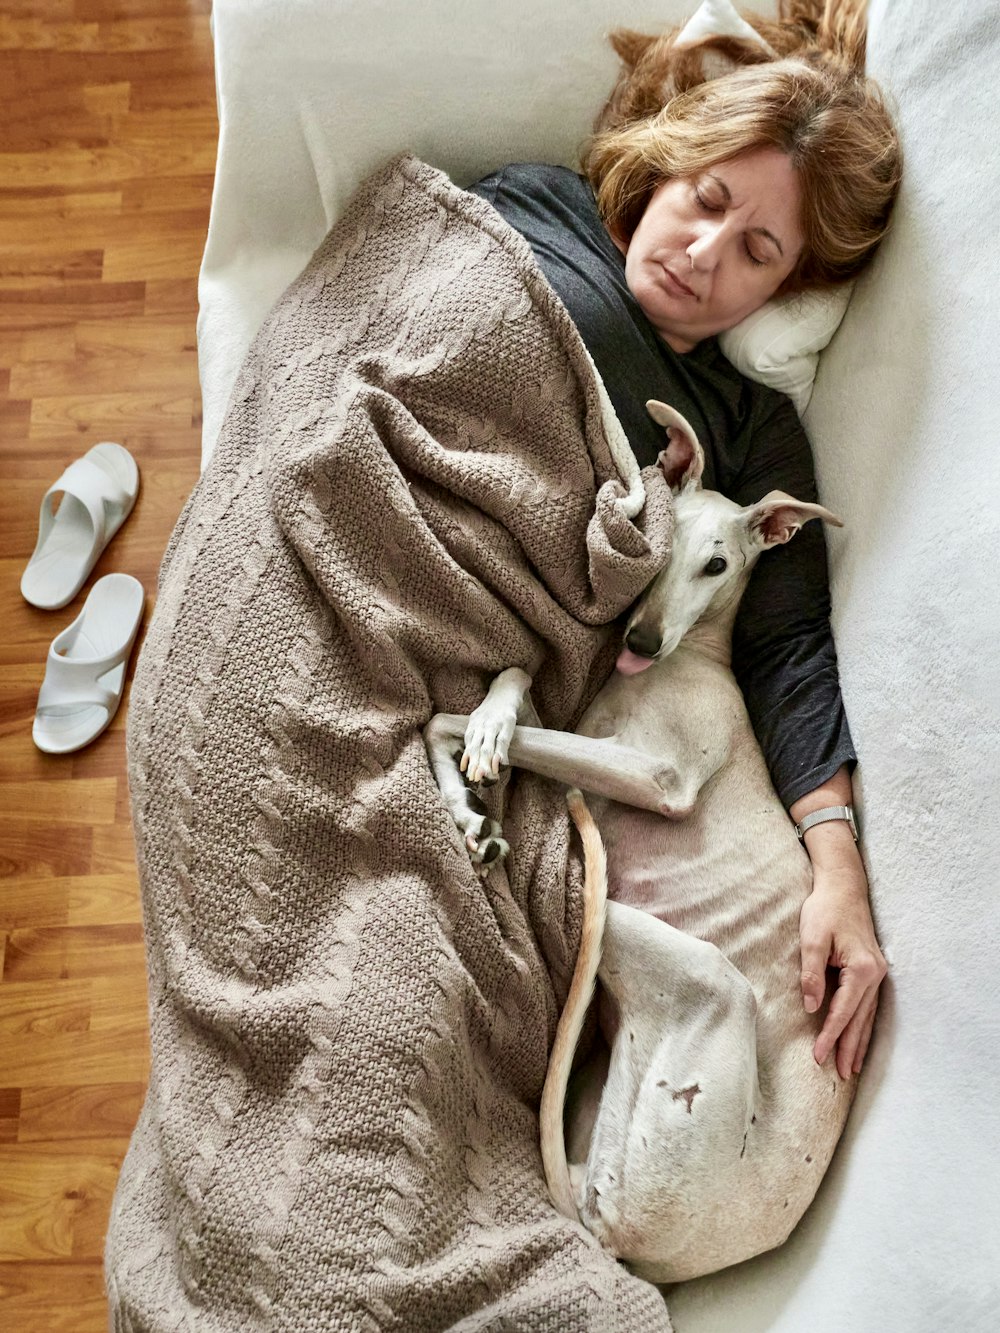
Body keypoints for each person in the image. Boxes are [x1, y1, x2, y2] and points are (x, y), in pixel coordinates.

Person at [469, 0, 901, 1082]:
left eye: (755, 249)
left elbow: (785, 646)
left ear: (781, 288)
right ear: (665, 169)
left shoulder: (750, 431)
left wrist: (835, 869)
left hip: (501, 684)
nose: (704, 253)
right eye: (704, 200)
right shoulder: (530, 209)